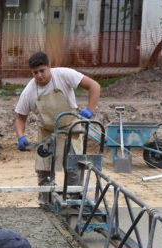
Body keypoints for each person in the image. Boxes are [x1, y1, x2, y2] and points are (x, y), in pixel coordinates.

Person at [14, 51, 101, 206]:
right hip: (48, 131)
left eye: (42, 70)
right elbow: (20, 117)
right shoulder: (29, 91)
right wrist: (21, 136)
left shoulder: (64, 75)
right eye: (35, 73)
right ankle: (45, 204)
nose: (39, 75)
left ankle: (73, 203)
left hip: (71, 128)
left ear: (49, 67)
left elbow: (94, 86)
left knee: (74, 167)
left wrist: (90, 109)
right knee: (44, 170)